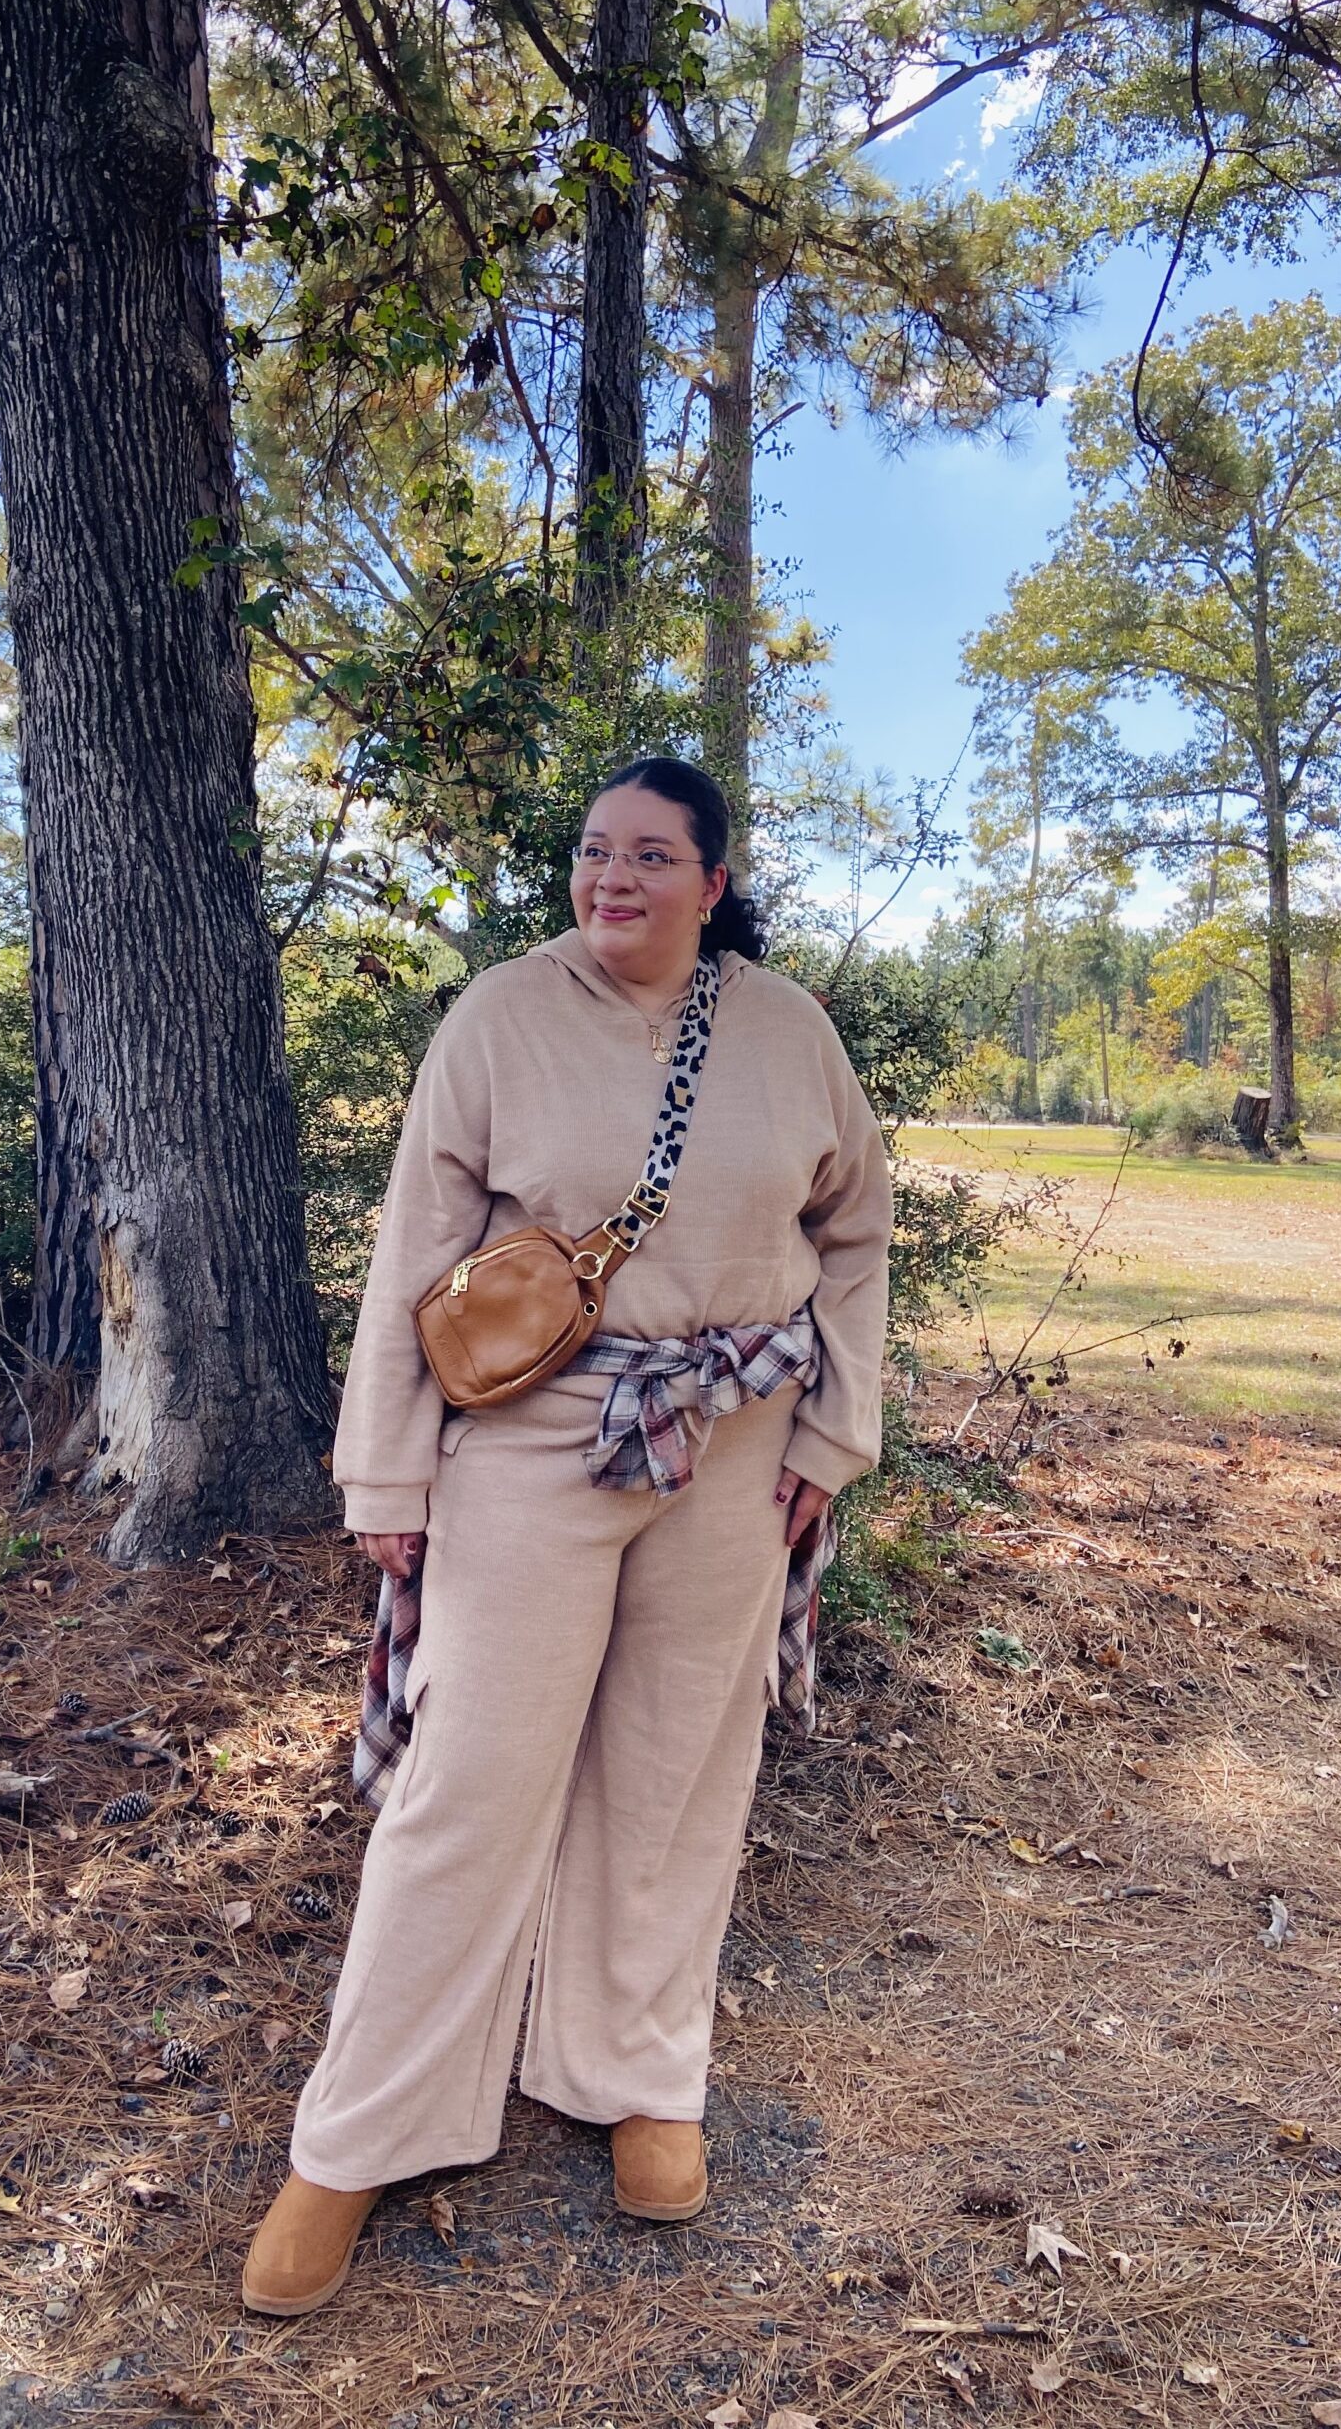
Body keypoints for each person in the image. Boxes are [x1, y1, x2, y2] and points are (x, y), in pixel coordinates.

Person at [242, 756, 892, 2316]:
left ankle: (637, 2073)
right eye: (598, 851)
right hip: (535, 1442)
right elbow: (418, 1247)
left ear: (712, 884)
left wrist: (833, 1431)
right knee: (467, 1785)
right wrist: (386, 1474)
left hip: (734, 1442)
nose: (615, 877)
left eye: (653, 855)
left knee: (678, 1773)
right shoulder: (499, 1019)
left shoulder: (789, 1032)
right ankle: (359, 2136)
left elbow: (855, 1232)